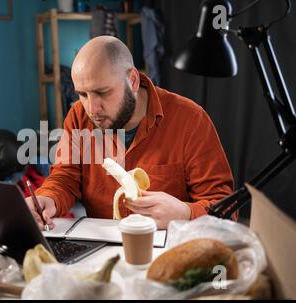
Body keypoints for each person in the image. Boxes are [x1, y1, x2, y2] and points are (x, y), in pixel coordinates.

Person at [26, 36, 234, 229]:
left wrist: (186, 213)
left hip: (171, 254)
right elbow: (65, 177)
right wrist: (48, 198)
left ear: (133, 80)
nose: (92, 109)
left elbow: (226, 209)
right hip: (101, 254)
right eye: (83, 94)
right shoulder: (78, 116)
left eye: (103, 92)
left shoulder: (190, 119)